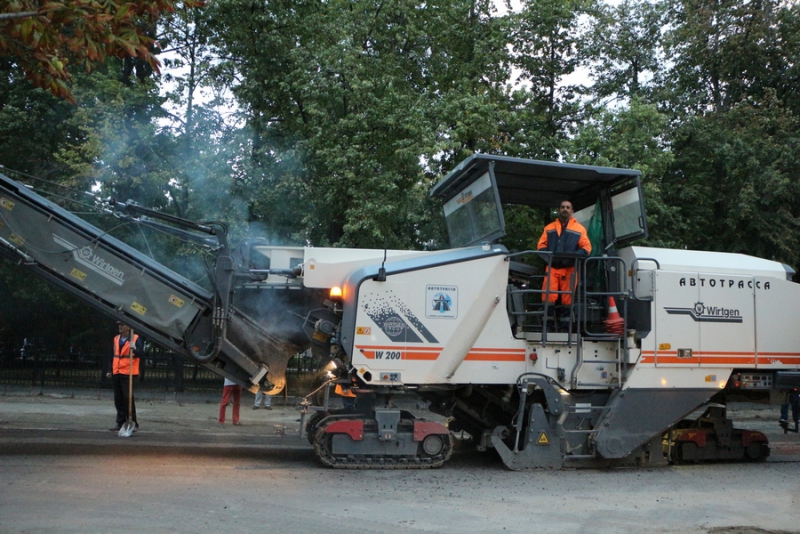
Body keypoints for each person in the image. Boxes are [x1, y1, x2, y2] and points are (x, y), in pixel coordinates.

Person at [537, 200, 591, 330]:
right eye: (562, 207)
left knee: (567, 300)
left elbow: (586, 248)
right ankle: (547, 328)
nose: (565, 209)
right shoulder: (549, 228)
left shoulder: (579, 229)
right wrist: (551, 258)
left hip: (569, 269)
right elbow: (540, 246)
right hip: (552, 268)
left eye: (568, 207)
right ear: (559, 210)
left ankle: (565, 329)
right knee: (548, 298)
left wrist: (571, 258)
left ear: (572, 211)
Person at [108, 322, 143, 432]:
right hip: (117, 371)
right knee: (118, 399)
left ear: (128, 327)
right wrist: (110, 370)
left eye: (122, 325)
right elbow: (113, 355)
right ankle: (120, 422)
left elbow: (142, 354)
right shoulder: (116, 338)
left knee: (127, 398)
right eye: (119, 325)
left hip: (129, 372)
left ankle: (133, 423)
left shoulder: (136, 339)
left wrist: (135, 349)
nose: (120, 327)